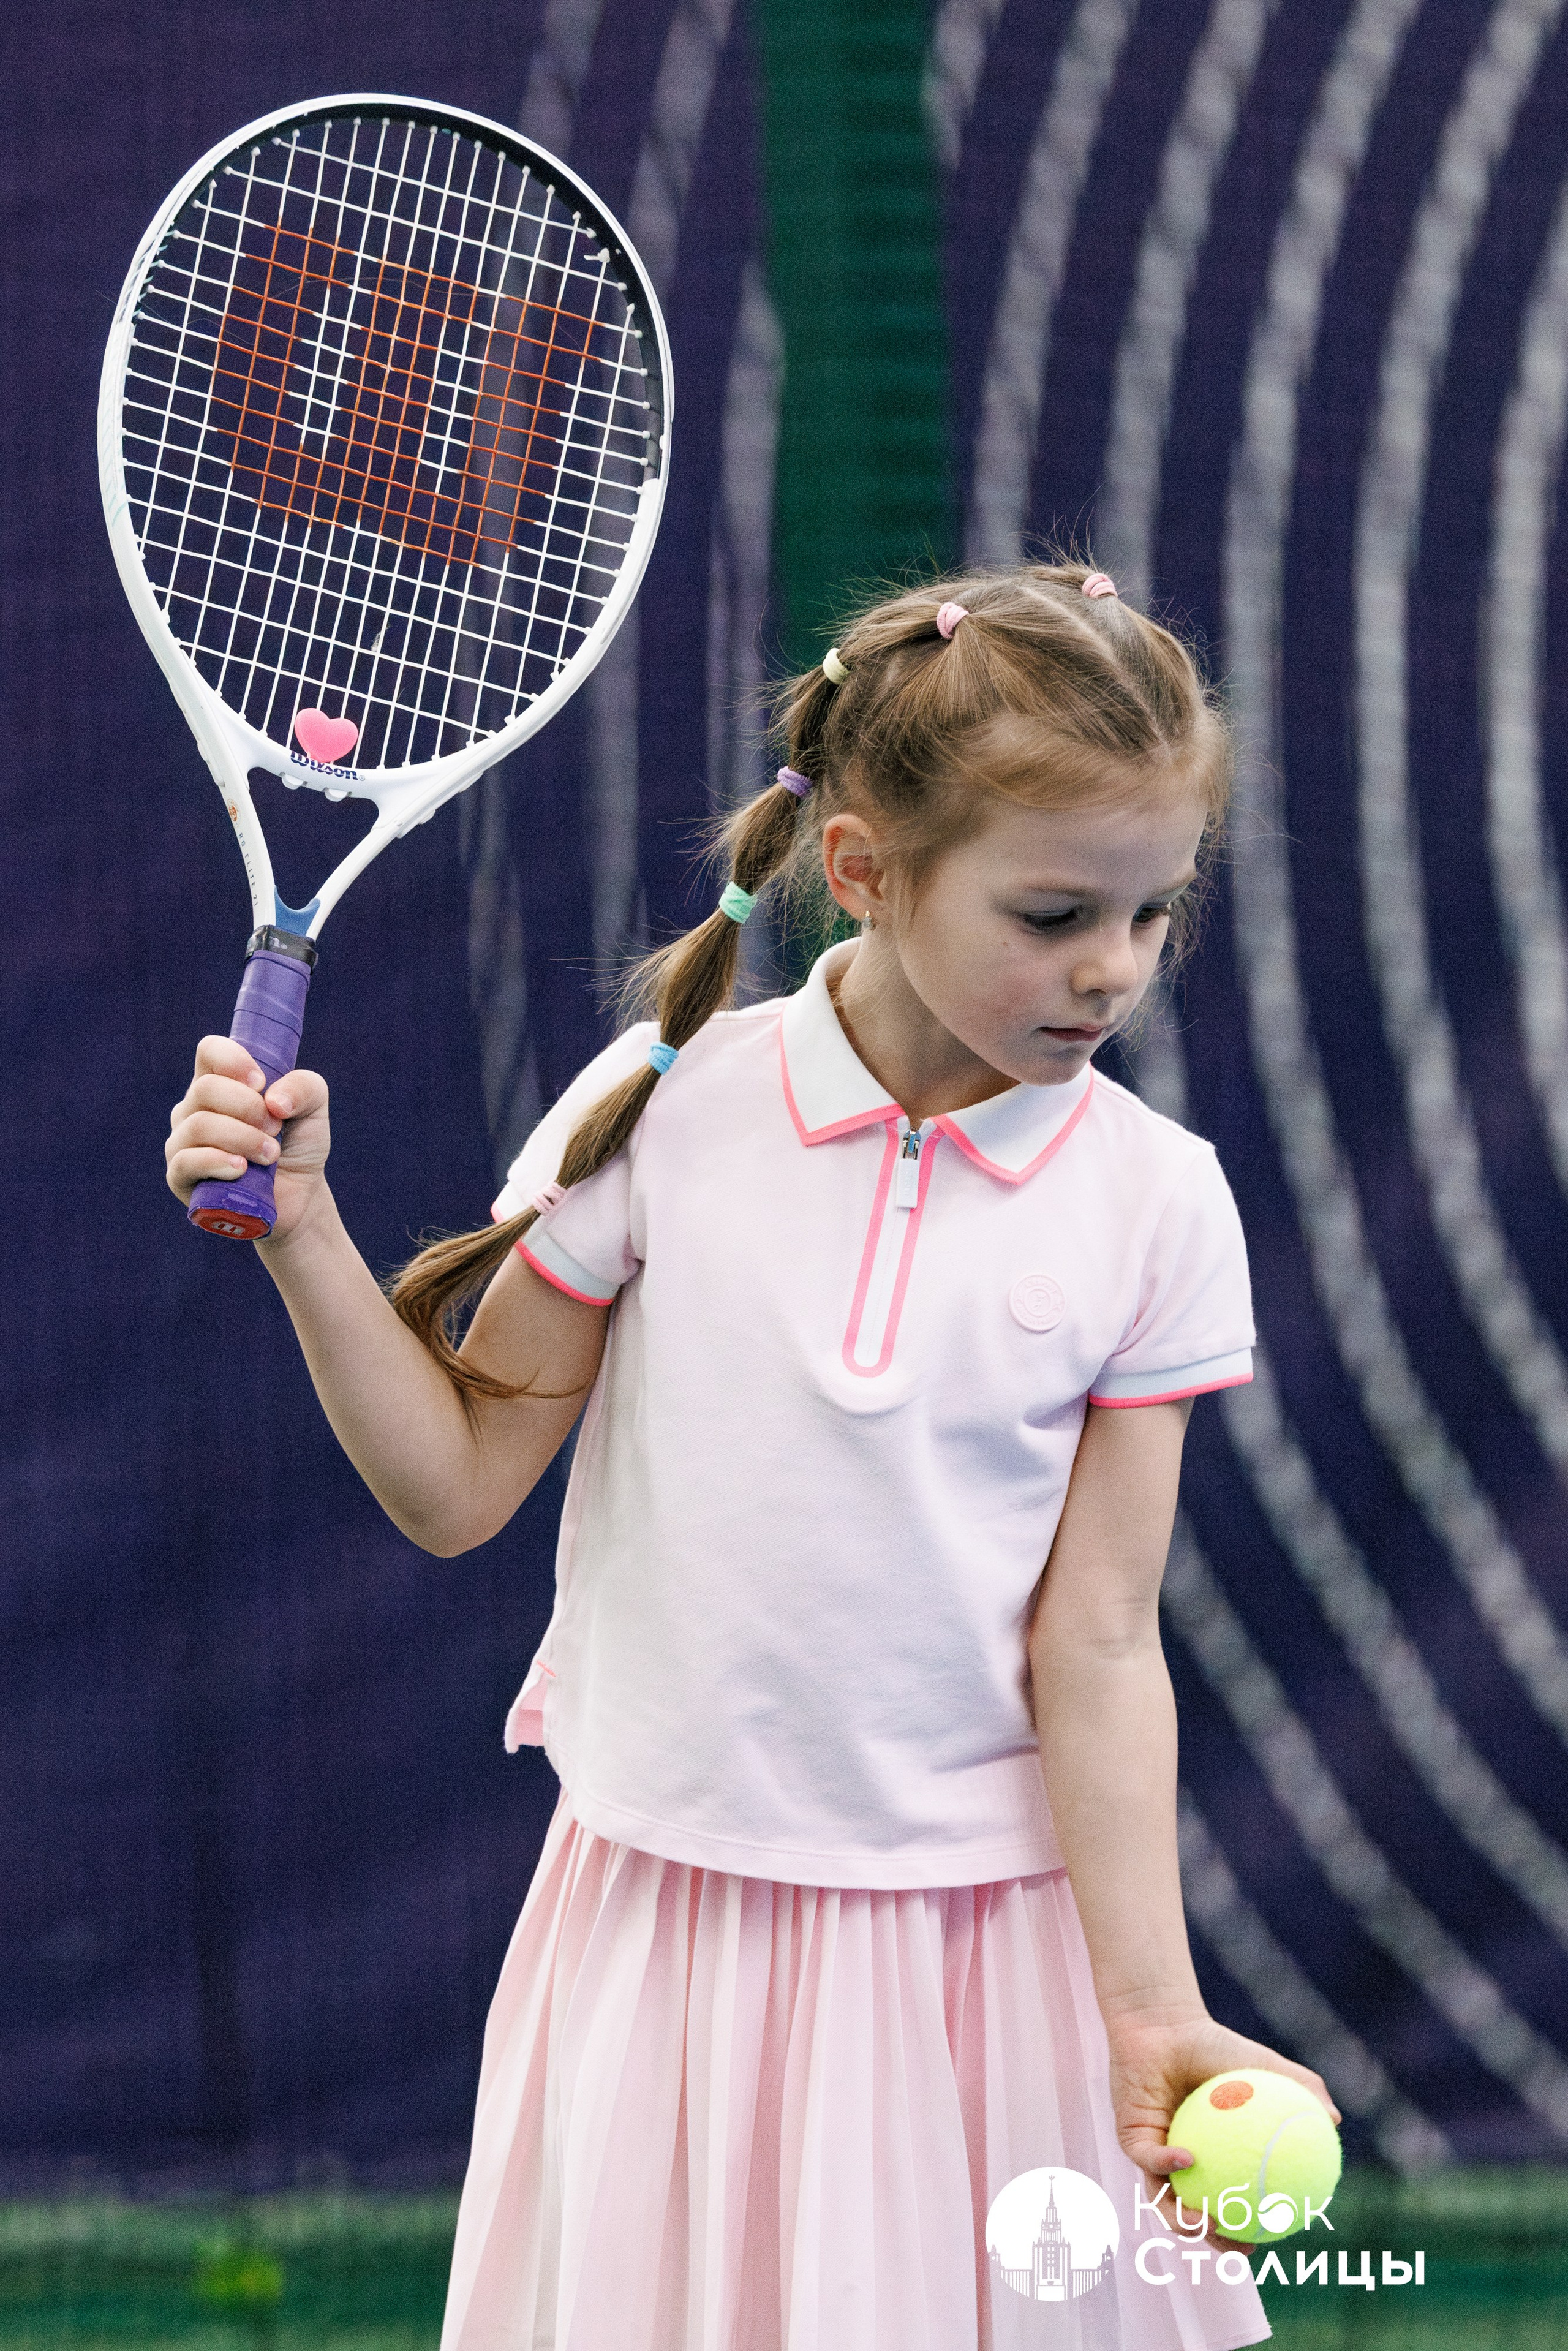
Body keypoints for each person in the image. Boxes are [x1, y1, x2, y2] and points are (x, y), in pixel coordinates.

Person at [166, 563, 1336, 2350]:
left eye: (1152, 911)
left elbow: (1100, 1642)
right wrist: (308, 1235)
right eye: (1052, 913)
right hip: (666, 1938)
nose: (1111, 967)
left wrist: (1149, 2008)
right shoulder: (666, 1105)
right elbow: (459, 1484)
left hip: (988, 1963)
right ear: (862, 869)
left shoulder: (1160, 1202)